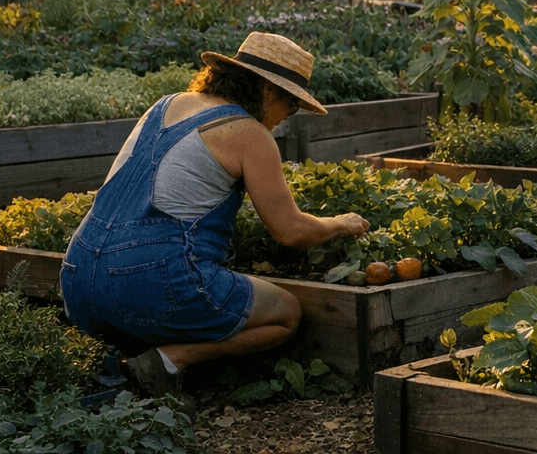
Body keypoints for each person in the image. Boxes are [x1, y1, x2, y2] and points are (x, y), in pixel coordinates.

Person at [61, 32, 370, 401]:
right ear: (270, 91)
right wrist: (341, 223)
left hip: (77, 275)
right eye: (290, 107)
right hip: (147, 281)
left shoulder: (167, 104)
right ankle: (171, 360)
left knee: (142, 293)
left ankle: (121, 364)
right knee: (286, 313)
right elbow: (290, 231)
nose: (285, 120)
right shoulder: (250, 134)